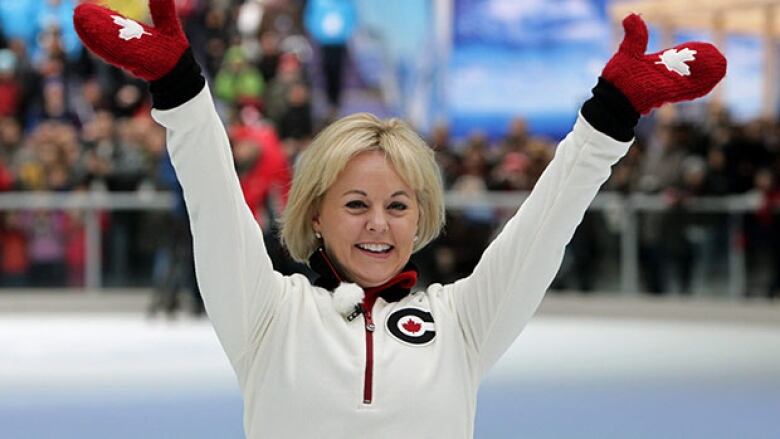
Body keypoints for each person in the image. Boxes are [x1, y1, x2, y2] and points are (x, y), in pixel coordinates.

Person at [73, 2, 726, 438]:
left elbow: (545, 224)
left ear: (421, 217)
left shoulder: (463, 324)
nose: (378, 223)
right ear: (317, 215)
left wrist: (610, 114)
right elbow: (214, 202)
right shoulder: (268, 314)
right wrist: (182, 92)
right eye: (356, 203)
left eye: (398, 204)